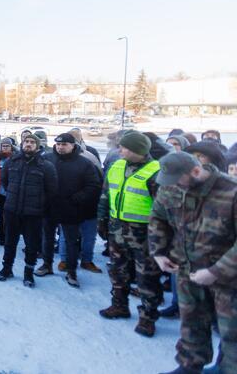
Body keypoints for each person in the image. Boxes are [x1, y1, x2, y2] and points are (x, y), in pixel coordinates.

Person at [149, 152, 237, 374]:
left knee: (232, 332)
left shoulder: (231, 191)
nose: (172, 186)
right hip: (187, 271)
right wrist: (158, 252)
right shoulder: (170, 186)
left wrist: (216, 271)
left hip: (229, 279)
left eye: (178, 181)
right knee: (191, 324)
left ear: (196, 172)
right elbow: (158, 217)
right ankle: (189, 367)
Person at [97, 130, 163, 337]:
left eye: (124, 147)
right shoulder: (117, 166)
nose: (119, 150)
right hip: (117, 229)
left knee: (147, 277)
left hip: (144, 234)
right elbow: (106, 194)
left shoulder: (156, 172)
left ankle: (148, 317)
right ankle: (119, 305)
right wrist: (102, 219)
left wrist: (160, 237)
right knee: (118, 270)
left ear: (138, 150)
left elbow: (164, 209)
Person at [36, 133, 101, 288]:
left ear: (73, 145)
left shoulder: (84, 163)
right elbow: (37, 179)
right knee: (47, 238)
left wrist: (78, 198)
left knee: (71, 241)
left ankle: (71, 271)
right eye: (58, 144)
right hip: (49, 207)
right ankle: (47, 264)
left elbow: (93, 185)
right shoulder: (47, 159)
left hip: (71, 208)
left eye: (64, 144)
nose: (60, 147)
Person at [0, 134, 57, 288]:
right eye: (26, 142)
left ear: (37, 145)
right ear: (22, 144)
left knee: (32, 244)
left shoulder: (46, 165)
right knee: (10, 241)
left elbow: (52, 190)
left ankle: (28, 272)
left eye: (32, 142)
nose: (28, 144)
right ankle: (7, 268)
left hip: (33, 213)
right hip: (12, 209)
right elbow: (5, 181)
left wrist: (41, 205)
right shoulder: (12, 161)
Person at [0, 138, 15, 245]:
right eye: (3, 146)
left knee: (8, 215)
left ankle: (6, 235)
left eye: (7, 146)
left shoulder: (16, 158)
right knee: (1, 213)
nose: (5, 148)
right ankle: (1, 235)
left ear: (11, 147)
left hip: (11, 191)